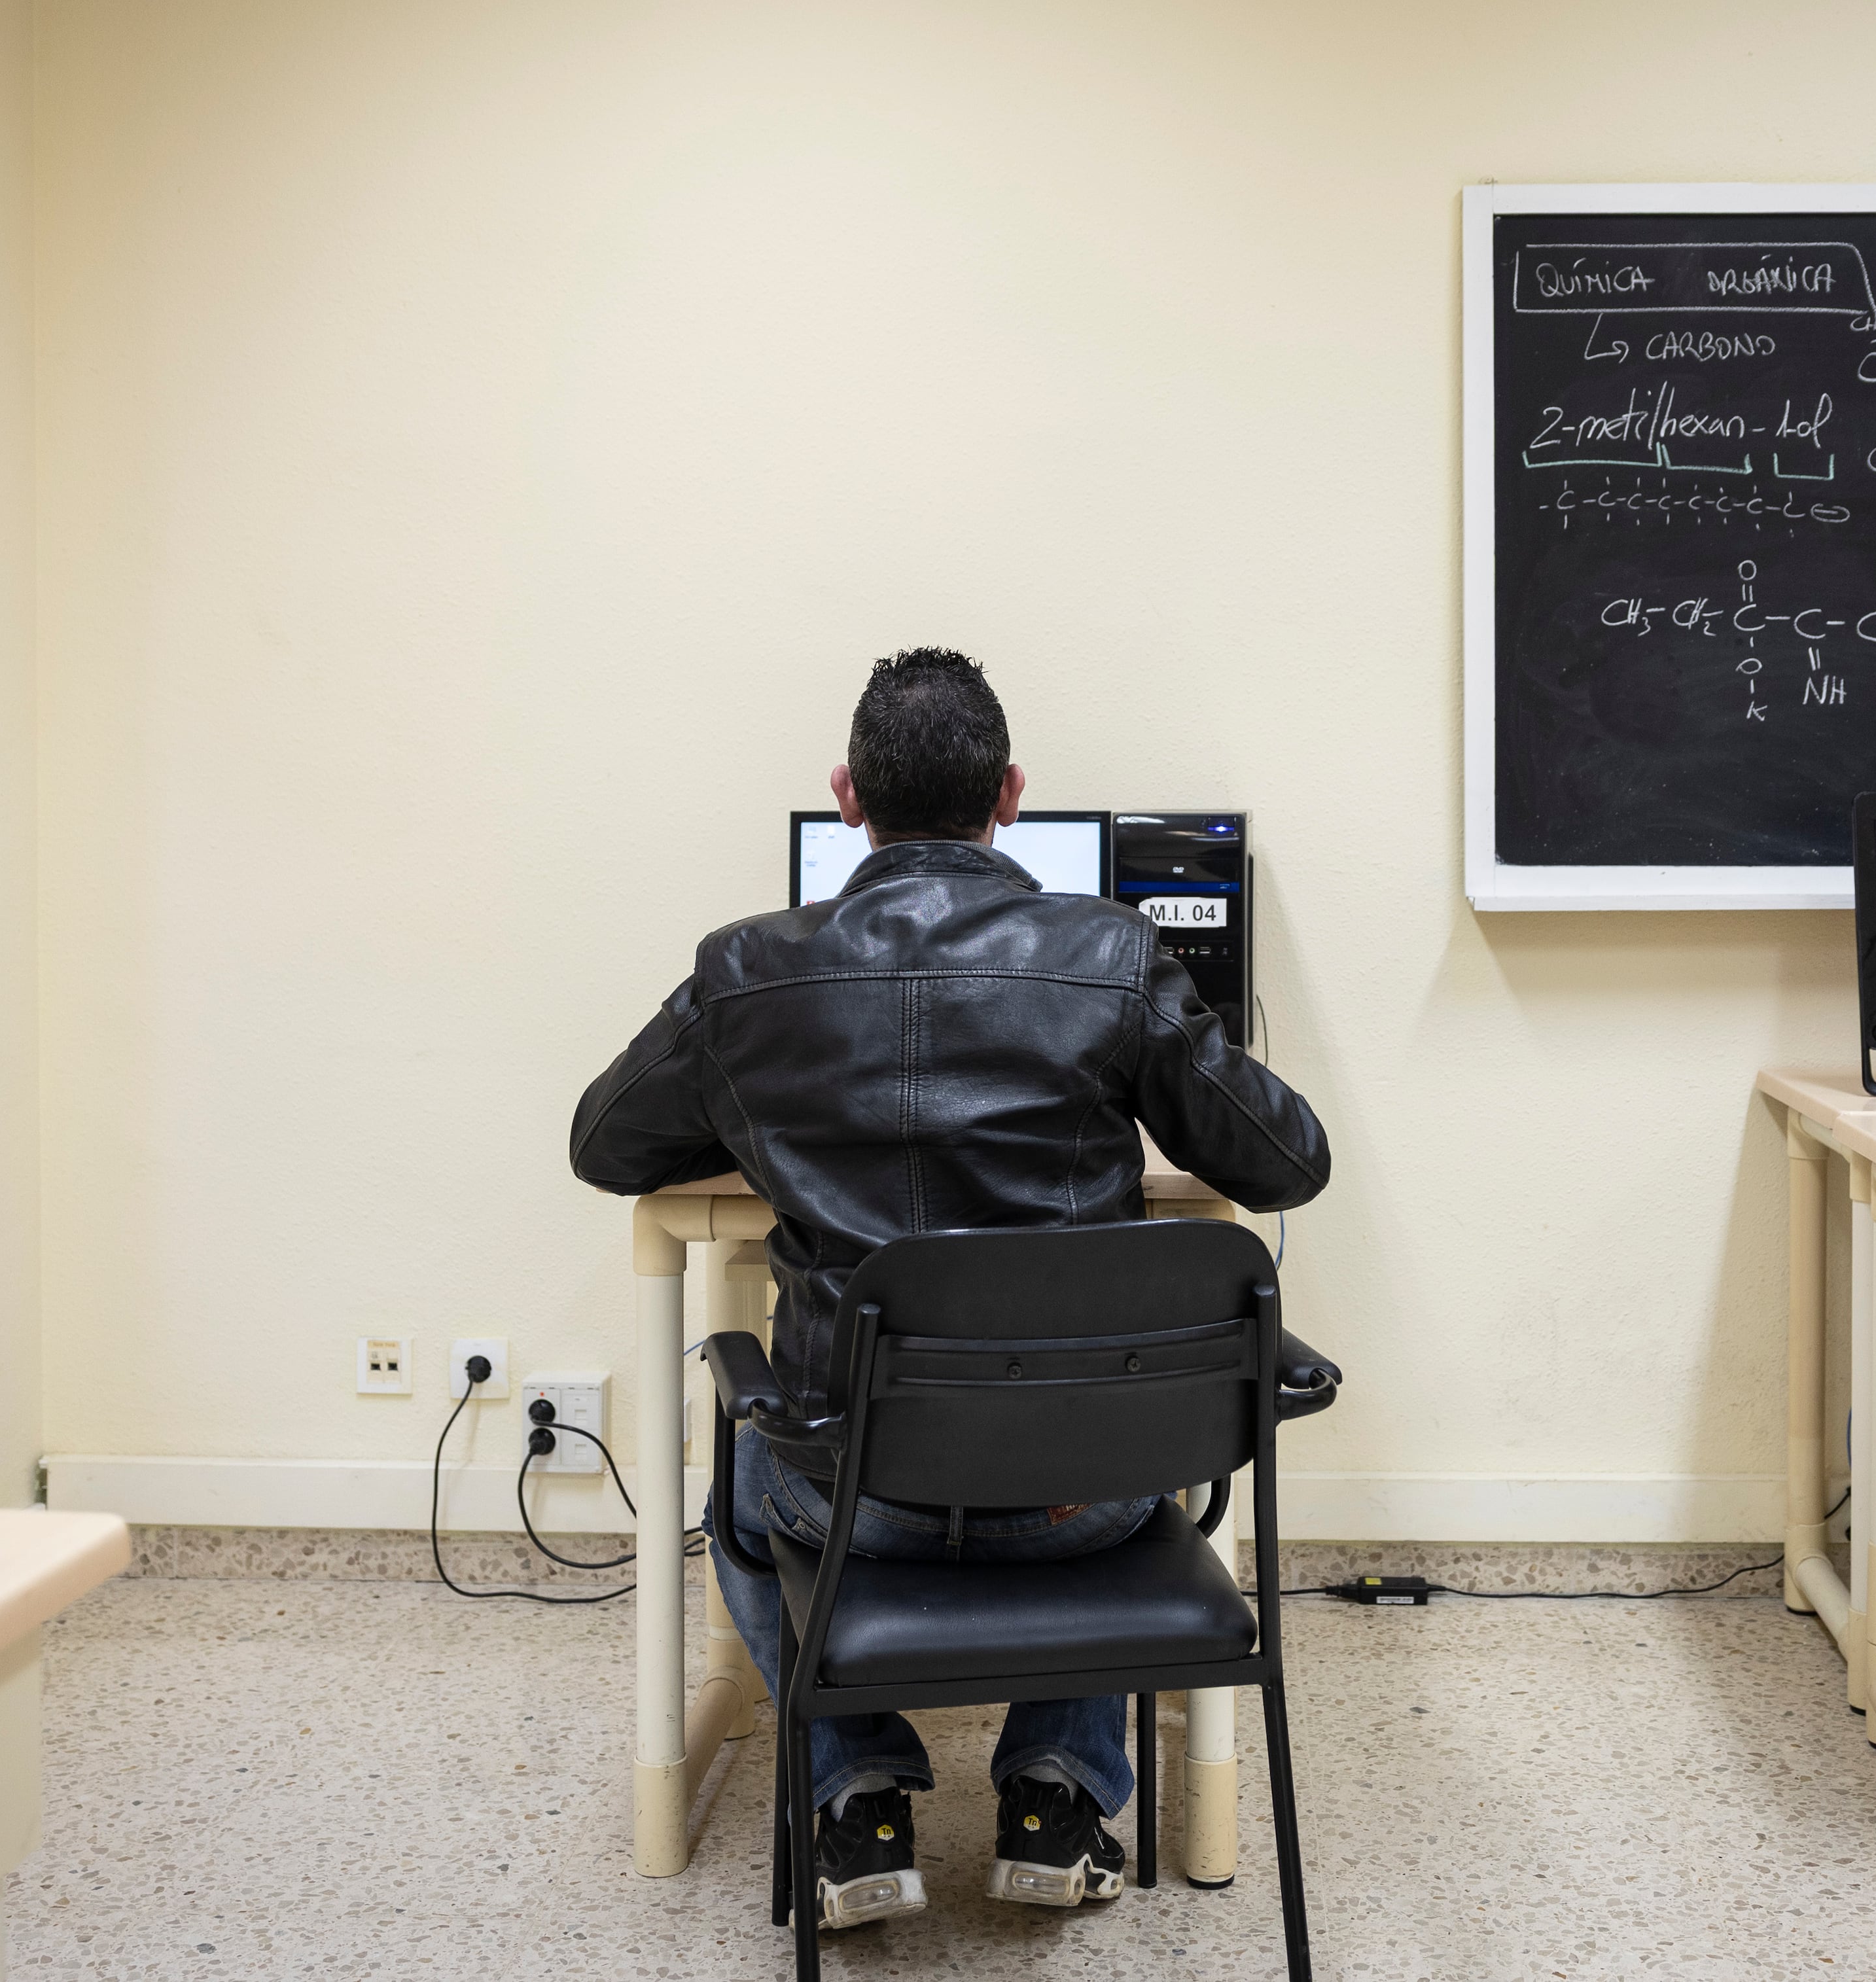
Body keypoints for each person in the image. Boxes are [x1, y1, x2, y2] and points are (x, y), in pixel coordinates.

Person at [570, 646, 1330, 1932]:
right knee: (1107, 1421)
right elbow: (1286, 1161)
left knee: (741, 1488)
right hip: (1084, 1502)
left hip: (842, 1499)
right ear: (1011, 795)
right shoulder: (1111, 954)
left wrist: (767, 1108)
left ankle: (852, 1786)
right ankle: (1058, 1790)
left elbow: (607, 1145)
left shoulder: (746, 972)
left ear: (846, 796)